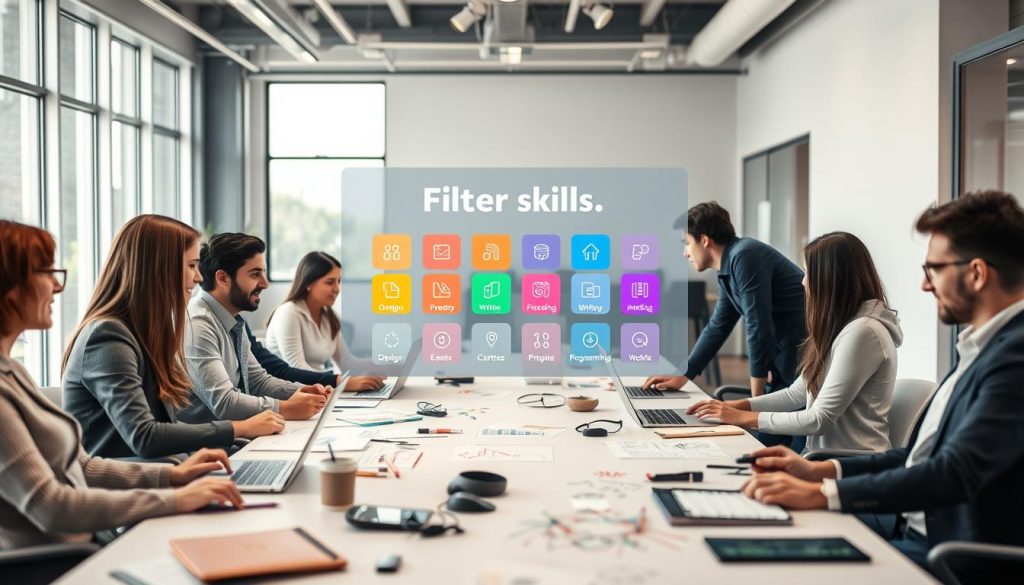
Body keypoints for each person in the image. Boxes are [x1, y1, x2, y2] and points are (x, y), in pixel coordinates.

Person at [739, 191, 1024, 582]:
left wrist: (826, 494)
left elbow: (953, 473)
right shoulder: (981, 346)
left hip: (945, 556)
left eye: (934, 269)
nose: (926, 285)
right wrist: (820, 472)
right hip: (916, 536)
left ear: (976, 273)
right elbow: (915, 458)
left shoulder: (1014, 357)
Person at [0, 220, 243, 552]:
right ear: (10, 286)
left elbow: (81, 465)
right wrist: (173, 499)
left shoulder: (13, 371)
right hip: (63, 561)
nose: (57, 287)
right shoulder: (107, 336)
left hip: (88, 541)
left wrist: (171, 479)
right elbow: (51, 506)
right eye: (45, 272)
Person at [62, 215, 285, 460]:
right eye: (191, 266)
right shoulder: (107, 336)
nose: (199, 278)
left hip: (162, 468)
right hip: (126, 484)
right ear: (158, 268)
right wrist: (239, 428)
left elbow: (164, 427)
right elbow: (144, 437)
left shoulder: (145, 332)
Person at [687, 232, 900, 454]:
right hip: (823, 459)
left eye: (808, 273)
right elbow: (795, 394)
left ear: (830, 278)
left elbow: (819, 419)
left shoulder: (863, 333)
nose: (803, 281)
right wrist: (735, 406)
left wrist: (743, 417)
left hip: (848, 464)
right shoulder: (843, 327)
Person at [644, 202, 807, 447]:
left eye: (687, 243)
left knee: (789, 443)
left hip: (802, 355)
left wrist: (756, 394)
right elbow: (717, 326)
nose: (685, 253)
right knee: (766, 445)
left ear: (705, 240)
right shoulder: (729, 268)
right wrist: (684, 374)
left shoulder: (745, 255)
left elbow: (757, 324)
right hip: (784, 355)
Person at [179, 233, 330, 425]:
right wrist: (285, 408)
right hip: (211, 448)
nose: (265, 284)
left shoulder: (233, 320)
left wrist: (301, 391)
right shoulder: (198, 324)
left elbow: (258, 381)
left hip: (240, 437)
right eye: (255, 274)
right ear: (223, 278)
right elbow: (224, 403)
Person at [265, 251, 384, 391]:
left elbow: (348, 362)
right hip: (295, 393)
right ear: (308, 283)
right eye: (330, 282)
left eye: (339, 281)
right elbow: (297, 367)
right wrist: (342, 383)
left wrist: (384, 363)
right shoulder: (289, 313)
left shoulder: (329, 316)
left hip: (322, 389)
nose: (337, 289)